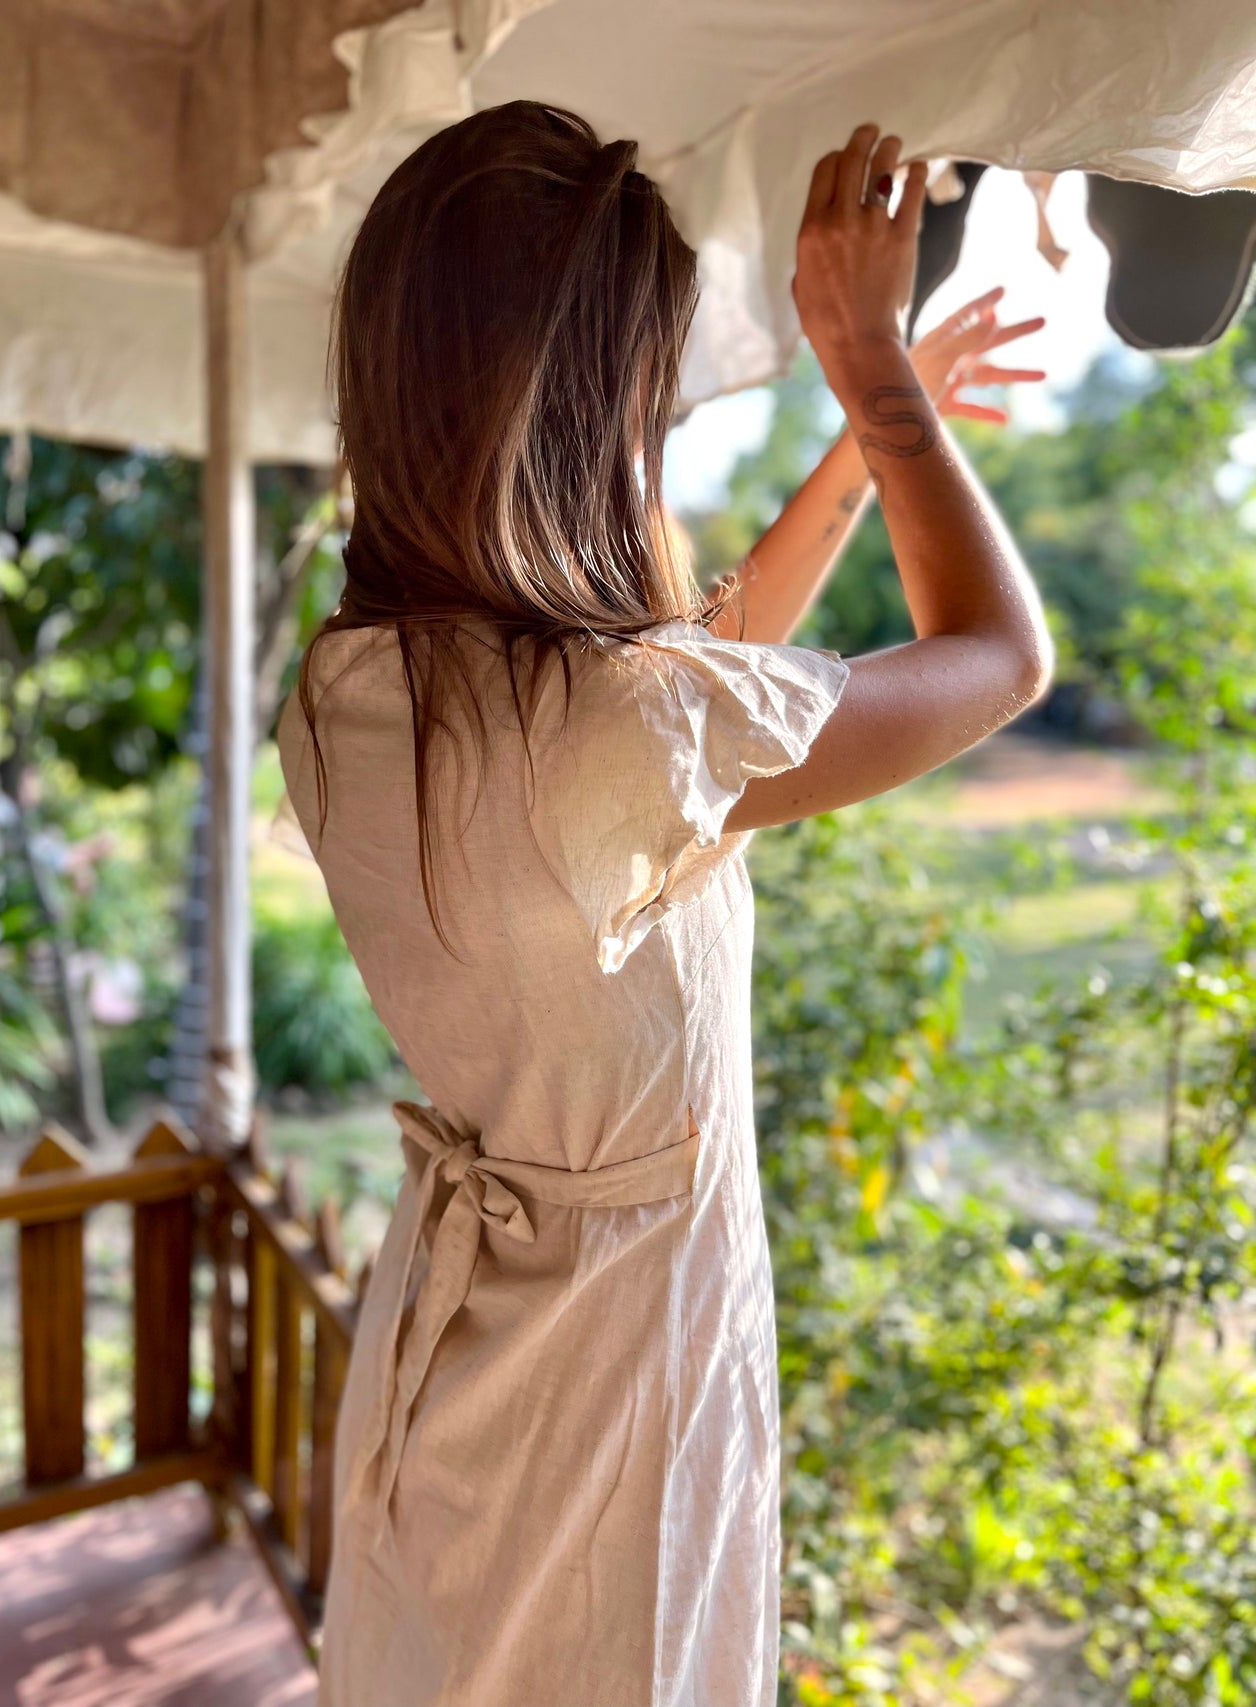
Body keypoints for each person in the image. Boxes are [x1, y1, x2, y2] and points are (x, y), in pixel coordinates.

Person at [273, 102, 1053, 1707]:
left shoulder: (352, 690)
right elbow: (997, 657)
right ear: (582, 402)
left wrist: (854, 458)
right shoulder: (615, 732)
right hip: (614, 1385)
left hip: (469, 1358)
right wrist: (873, 370)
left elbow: (673, 708)